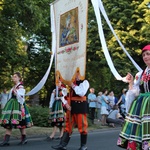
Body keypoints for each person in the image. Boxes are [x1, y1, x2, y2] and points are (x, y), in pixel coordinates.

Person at [117, 44, 150, 150]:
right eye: (144, 55)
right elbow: (135, 92)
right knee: (141, 132)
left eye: (148, 54)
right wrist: (131, 82)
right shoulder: (141, 74)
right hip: (142, 106)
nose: (145, 57)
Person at [52, 71, 89, 150]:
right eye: (75, 73)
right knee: (68, 126)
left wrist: (72, 85)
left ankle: (83, 146)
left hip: (80, 106)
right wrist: (66, 104)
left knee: (82, 125)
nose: (76, 75)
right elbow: (63, 94)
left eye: (77, 73)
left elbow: (81, 93)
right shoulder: (69, 83)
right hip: (70, 106)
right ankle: (63, 144)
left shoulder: (84, 82)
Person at [0, 72, 33, 146]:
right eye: (13, 77)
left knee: (21, 122)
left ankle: (24, 139)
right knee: (9, 122)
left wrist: (15, 92)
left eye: (15, 77)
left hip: (18, 106)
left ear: (19, 78)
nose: (13, 78)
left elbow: (21, 97)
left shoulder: (20, 87)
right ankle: (6, 140)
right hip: (12, 106)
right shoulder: (14, 87)